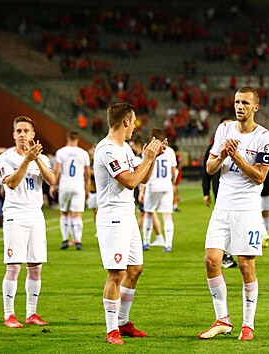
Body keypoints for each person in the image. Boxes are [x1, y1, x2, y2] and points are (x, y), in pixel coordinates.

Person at [198, 86, 269, 341]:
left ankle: (248, 324)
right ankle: (222, 319)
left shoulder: (265, 137)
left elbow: (259, 176)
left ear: (256, 107)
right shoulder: (224, 129)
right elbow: (210, 169)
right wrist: (221, 154)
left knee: (245, 265)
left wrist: (237, 156)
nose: (239, 106)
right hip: (222, 207)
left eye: (244, 103)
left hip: (247, 209)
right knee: (211, 261)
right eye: (236, 102)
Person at [93, 103, 166, 345]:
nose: (135, 127)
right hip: (112, 217)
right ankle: (111, 329)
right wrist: (147, 158)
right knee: (116, 273)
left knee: (135, 269)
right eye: (133, 121)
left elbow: (142, 175)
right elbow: (131, 182)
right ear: (125, 121)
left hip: (127, 215)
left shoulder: (123, 148)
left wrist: (152, 159)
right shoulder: (107, 150)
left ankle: (123, 322)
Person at [0, 116, 56, 328]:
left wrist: (36, 158)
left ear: (33, 135)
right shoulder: (5, 158)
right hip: (15, 215)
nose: (22, 134)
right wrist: (27, 160)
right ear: (13, 134)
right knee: (14, 266)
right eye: (18, 130)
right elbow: (11, 183)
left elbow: (52, 180)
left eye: (25, 131)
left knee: (36, 267)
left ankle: (32, 313)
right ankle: (9, 314)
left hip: (36, 215)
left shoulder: (42, 158)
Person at [202, 116, 237, 268]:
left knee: (234, 224)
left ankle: (228, 252)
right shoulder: (214, 148)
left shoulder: (240, 145)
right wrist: (205, 192)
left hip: (238, 193)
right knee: (227, 223)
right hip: (220, 189)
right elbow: (207, 171)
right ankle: (226, 254)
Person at [50, 131, 91, 251]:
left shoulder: (61, 152)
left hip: (65, 185)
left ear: (68, 138)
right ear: (78, 139)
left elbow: (57, 171)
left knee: (64, 213)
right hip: (78, 186)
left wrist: (53, 185)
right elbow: (87, 173)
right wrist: (87, 186)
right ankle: (78, 241)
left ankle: (65, 239)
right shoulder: (83, 153)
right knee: (77, 214)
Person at [140, 128, 178, 252]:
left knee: (148, 213)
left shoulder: (148, 150)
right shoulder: (170, 151)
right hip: (166, 185)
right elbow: (173, 170)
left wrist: (142, 190)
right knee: (167, 215)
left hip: (152, 185)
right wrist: (172, 182)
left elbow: (143, 170)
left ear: (152, 137)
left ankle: (145, 242)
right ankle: (168, 244)